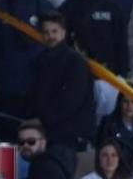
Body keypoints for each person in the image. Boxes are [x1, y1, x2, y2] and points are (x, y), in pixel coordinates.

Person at [27, 11, 97, 168]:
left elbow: (72, 100)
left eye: (54, 31)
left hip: (70, 137)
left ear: (64, 33)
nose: (50, 36)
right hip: (48, 134)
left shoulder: (75, 62)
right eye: (45, 32)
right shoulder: (40, 61)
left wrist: (43, 120)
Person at [58, 0, 128, 114]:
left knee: (105, 121)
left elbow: (121, 43)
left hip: (107, 77)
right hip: (75, 76)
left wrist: (122, 75)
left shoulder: (112, 8)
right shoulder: (66, 9)